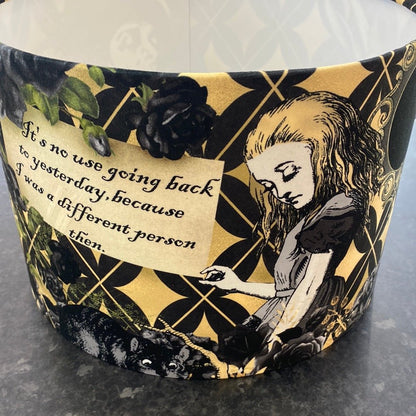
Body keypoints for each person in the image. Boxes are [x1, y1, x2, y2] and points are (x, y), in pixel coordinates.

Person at [201, 91, 384, 372]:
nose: (281, 192)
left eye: (288, 173)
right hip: (287, 309)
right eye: (270, 185)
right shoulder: (315, 214)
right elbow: (287, 292)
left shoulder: (339, 209)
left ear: (326, 152)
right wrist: (236, 284)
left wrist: (274, 343)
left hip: (299, 316)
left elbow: (309, 288)